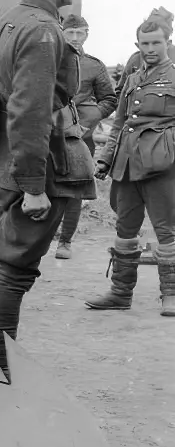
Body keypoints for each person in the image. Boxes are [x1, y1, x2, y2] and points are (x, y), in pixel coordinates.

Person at [0, 0, 96, 379]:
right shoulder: (43, 30)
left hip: (4, 163)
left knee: (3, 263)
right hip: (34, 168)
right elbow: (29, 112)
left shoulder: (9, 19)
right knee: (15, 271)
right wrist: (34, 189)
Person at [86, 19, 175, 316]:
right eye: (144, 43)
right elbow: (120, 124)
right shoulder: (133, 79)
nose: (150, 49)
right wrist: (105, 159)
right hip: (126, 166)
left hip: (162, 166)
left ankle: (170, 296)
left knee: (167, 231)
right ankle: (120, 293)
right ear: (138, 45)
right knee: (125, 229)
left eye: (156, 43)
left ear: (168, 43)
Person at [54, 14, 117, 259]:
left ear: (87, 34)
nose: (75, 38)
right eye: (70, 32)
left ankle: (65, 241)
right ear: (61, 33)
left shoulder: (94, 65)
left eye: (80, 33)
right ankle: (39, 238)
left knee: (76, 189)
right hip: (49, 135)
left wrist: (88, 121)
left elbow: (109, 100)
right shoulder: (49, 62)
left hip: (80, 138)